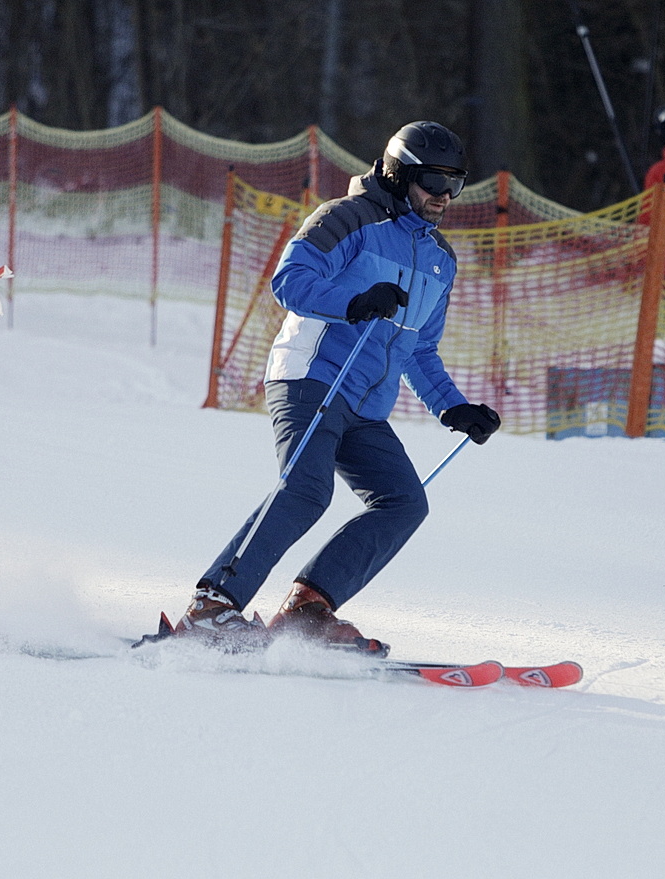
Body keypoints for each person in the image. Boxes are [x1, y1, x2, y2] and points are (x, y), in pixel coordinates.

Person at [158, 121, 501, 655]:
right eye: (433, 181)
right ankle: (213, 607)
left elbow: (420, 350)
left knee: (404, 502)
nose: (443, 196)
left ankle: (308, 610)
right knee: (307, 489)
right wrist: (355, 301)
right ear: (398, 173)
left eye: (454, 184)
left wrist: (454, 409)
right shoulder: (347, 218)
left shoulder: (440, 258)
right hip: (311, 376)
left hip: (365, 404)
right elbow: (289, 279)